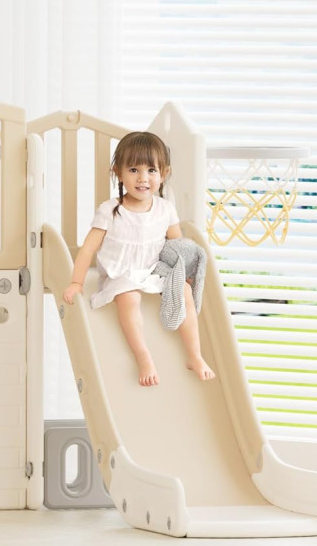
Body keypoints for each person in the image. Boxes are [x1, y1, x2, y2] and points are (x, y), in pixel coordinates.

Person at [62, 131, 216, 388]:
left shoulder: (165, 209)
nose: (143, 178)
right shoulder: (110, 210)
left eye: (151, 170)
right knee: (128, 298)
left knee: (185, 292)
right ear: (118, 173)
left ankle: (195, 356)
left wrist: (185, 275)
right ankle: (143, 357)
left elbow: (177, 247)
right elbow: (88, 249)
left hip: (153, 270)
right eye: (134, 170)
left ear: (163, 174)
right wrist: (76, 283)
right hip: (121, 273)